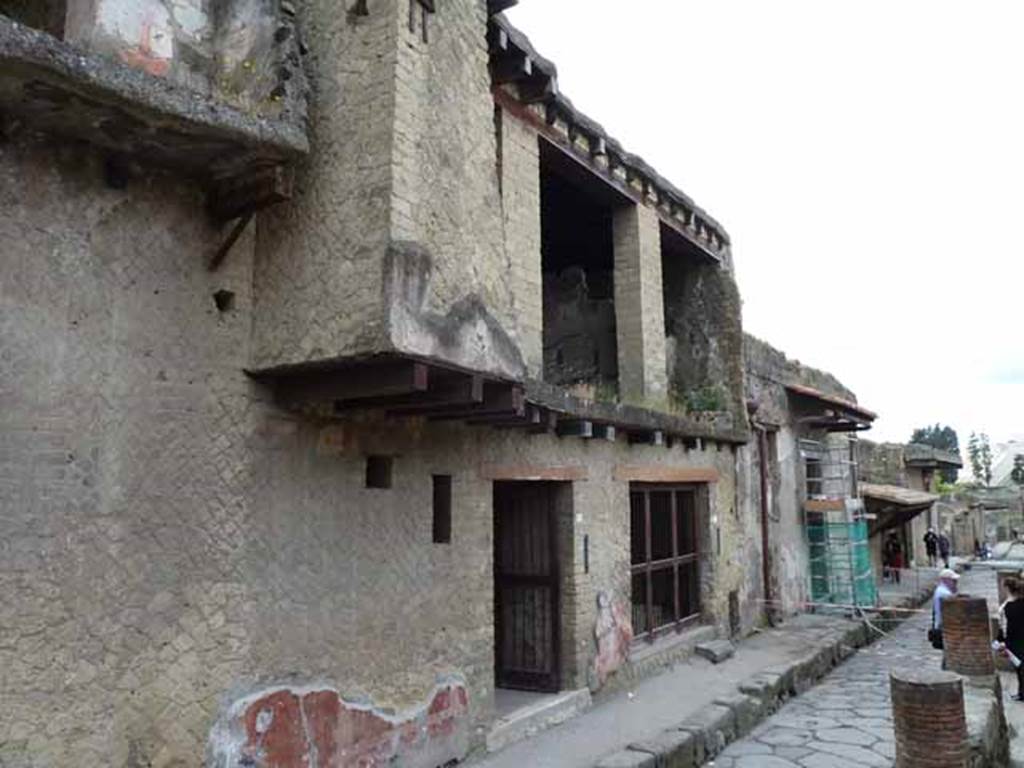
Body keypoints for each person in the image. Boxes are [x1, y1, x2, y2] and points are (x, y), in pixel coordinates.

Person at [999, 578, 1024, 701]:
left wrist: (1003, 643)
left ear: (1007, 589)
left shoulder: (1008, 606)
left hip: (1014, 641)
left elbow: (1004, 626)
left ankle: (1022, 693)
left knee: (1020, 669)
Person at [931, 568, 960, 657]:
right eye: (953, 581)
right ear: (946, 580)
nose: (955, 583)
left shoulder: (940, 590)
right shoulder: (945, 593)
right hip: (943, 625)